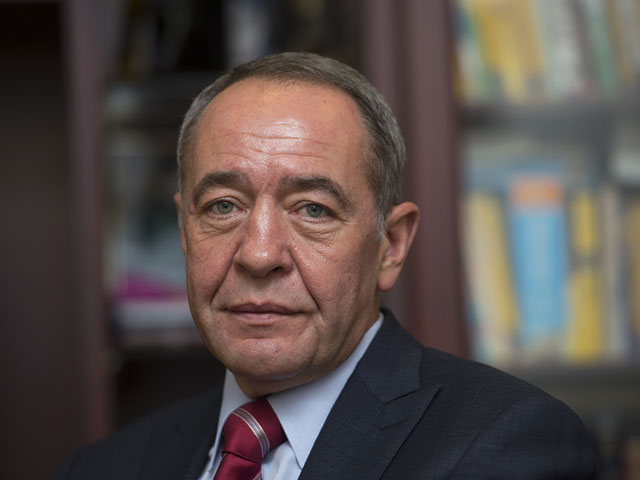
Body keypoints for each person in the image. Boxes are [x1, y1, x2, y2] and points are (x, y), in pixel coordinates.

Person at [55, 52, 596, 479]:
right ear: (184, 232)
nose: (259, 255)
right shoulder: (103, 468)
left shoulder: (506, 445)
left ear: (391, 245)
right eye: (223, 207)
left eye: (313, 210)